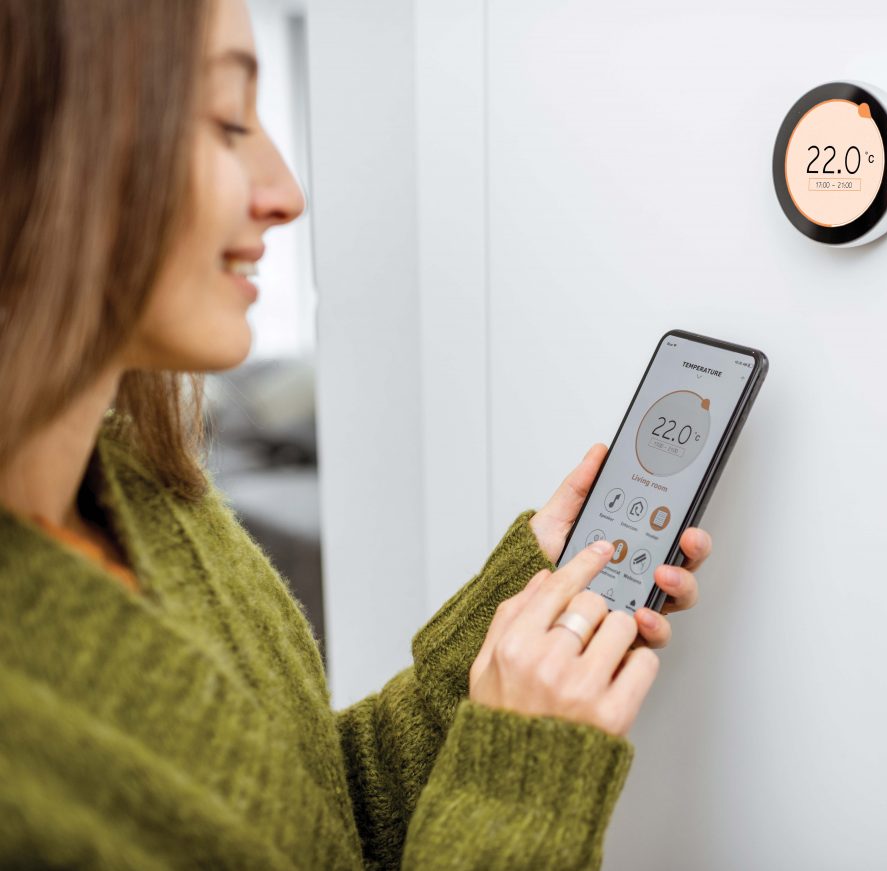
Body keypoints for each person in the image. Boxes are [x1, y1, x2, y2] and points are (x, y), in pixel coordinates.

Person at [0, 1, 711, 868]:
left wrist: (512, 635)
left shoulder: (147, 492)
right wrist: (520, 780)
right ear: (37, 144)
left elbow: (313, 820)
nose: (287, 194)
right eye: (227, 120)